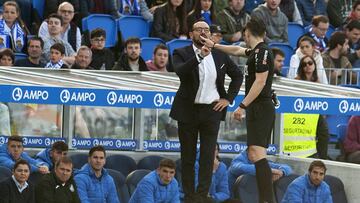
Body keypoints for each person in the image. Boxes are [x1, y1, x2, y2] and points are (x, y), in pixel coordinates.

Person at [202, 17, 276, 203]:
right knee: (253, 153)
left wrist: (242, 106)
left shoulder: (263, 52)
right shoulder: (256, 51)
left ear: (247, 33)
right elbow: (236, 49)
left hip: (261, 107)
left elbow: (260, 82)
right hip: (258, 107)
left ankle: (267, 200)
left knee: (257, 154)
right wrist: (215, 46)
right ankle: (266, 198)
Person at [170, 20, 242, 203]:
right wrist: (200, 56)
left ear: (210, 34)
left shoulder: (219, 54)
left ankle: (201, 196)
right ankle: (189, 196)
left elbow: (238, 75)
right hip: (188, 110)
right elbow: (181, 72)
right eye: (199, 30)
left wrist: (228, 99)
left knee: (208, 156)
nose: (203, 32)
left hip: (212, 110)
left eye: (206, 30)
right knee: (188, 156)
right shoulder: (182, 52)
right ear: (191, 33)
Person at [228, 149, 292, 192]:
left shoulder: (260, 160)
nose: (262, 156)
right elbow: (240, 168)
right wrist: (270, 171)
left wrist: (282, 172)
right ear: (250, 151)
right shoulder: (237, 161)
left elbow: (288, 168)